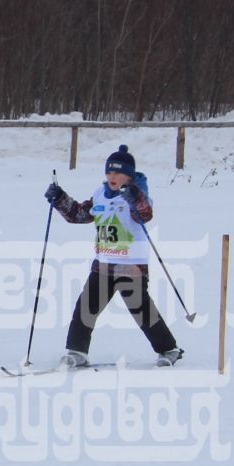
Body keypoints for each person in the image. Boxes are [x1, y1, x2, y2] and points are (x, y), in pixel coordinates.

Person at [43, 143, 183, 367]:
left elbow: (145, 214)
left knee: (141, 310)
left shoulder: (138, 194)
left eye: (118, 172)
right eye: (109, 171)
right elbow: (79, 215)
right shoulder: (100, 194)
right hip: (103, 265)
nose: (112, 176)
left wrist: (134, 196)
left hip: (131, 266)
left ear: (128, 175)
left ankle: (168, 349)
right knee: (86, 308)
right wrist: (59, 198)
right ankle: (77, 352)